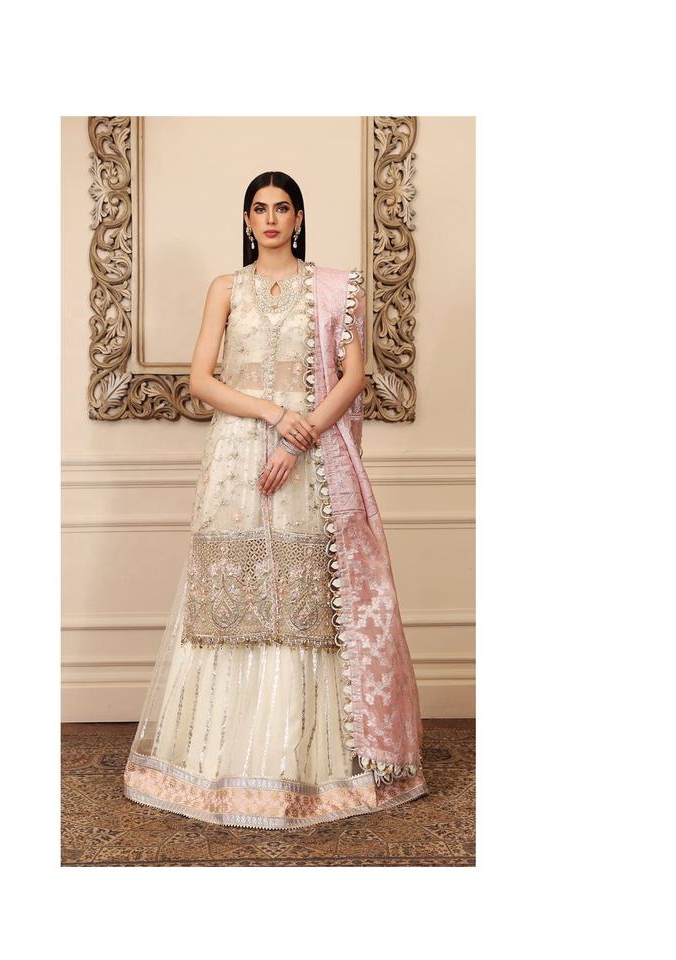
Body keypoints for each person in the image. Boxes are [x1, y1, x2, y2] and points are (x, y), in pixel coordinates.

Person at [123, 171, 427, 829]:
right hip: (237, 456)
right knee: (234, 592)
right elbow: (201, 380)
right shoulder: (225, 289)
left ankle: (308, 764)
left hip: (309, 457)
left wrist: (300, 432)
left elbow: (354, 375)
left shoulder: (333, 288)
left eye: (281, 208)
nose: (269, 219)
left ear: (298, 218)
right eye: (258, 209)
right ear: (245, 220)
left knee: (304, 595)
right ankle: (216, 760)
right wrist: (270, 413)